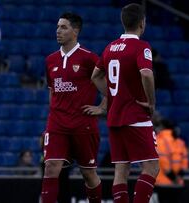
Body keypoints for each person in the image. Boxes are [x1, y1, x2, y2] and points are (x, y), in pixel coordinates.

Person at [90, 3, 159, 203]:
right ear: (142, 23)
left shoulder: (110, 47)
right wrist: (151, 102)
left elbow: (95, 76)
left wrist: (113, 94)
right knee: (152, 167)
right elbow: (146, 74)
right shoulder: (141, 46)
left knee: (121, 170)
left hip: (115, 117)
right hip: (136, 114)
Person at [41, 12, 105, 203]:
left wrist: (102, 108)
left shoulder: (89, 58)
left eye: (63, 27)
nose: (58, 31)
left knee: (88, 174)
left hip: (82, 124)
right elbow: (51, 90)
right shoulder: (50, 60)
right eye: (57, 27)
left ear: (75, 31)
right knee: (51, 166)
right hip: (57, 123)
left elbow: (111, 85)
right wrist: (51, 119)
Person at [155, 119, 188, 203]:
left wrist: (172, 177)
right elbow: (184, 161)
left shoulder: (159, 141)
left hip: (163, 183)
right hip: (178, 184)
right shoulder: (180, 142)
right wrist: (179, 176)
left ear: (162, 127)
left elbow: (163, 161)